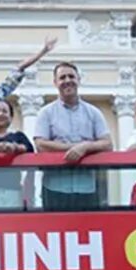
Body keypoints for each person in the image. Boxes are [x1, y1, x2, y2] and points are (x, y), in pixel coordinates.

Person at [33, 61, 112, 210]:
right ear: (55, 82)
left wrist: (85, 147)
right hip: (54, 187)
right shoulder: (46, 113)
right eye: (62, 77)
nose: (67, 80)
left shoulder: (93, 112)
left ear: (78, 80)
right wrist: (72, 148)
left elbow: (107, 144)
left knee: (88, 229)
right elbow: (40, 145)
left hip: (87, 187)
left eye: (71, 76)